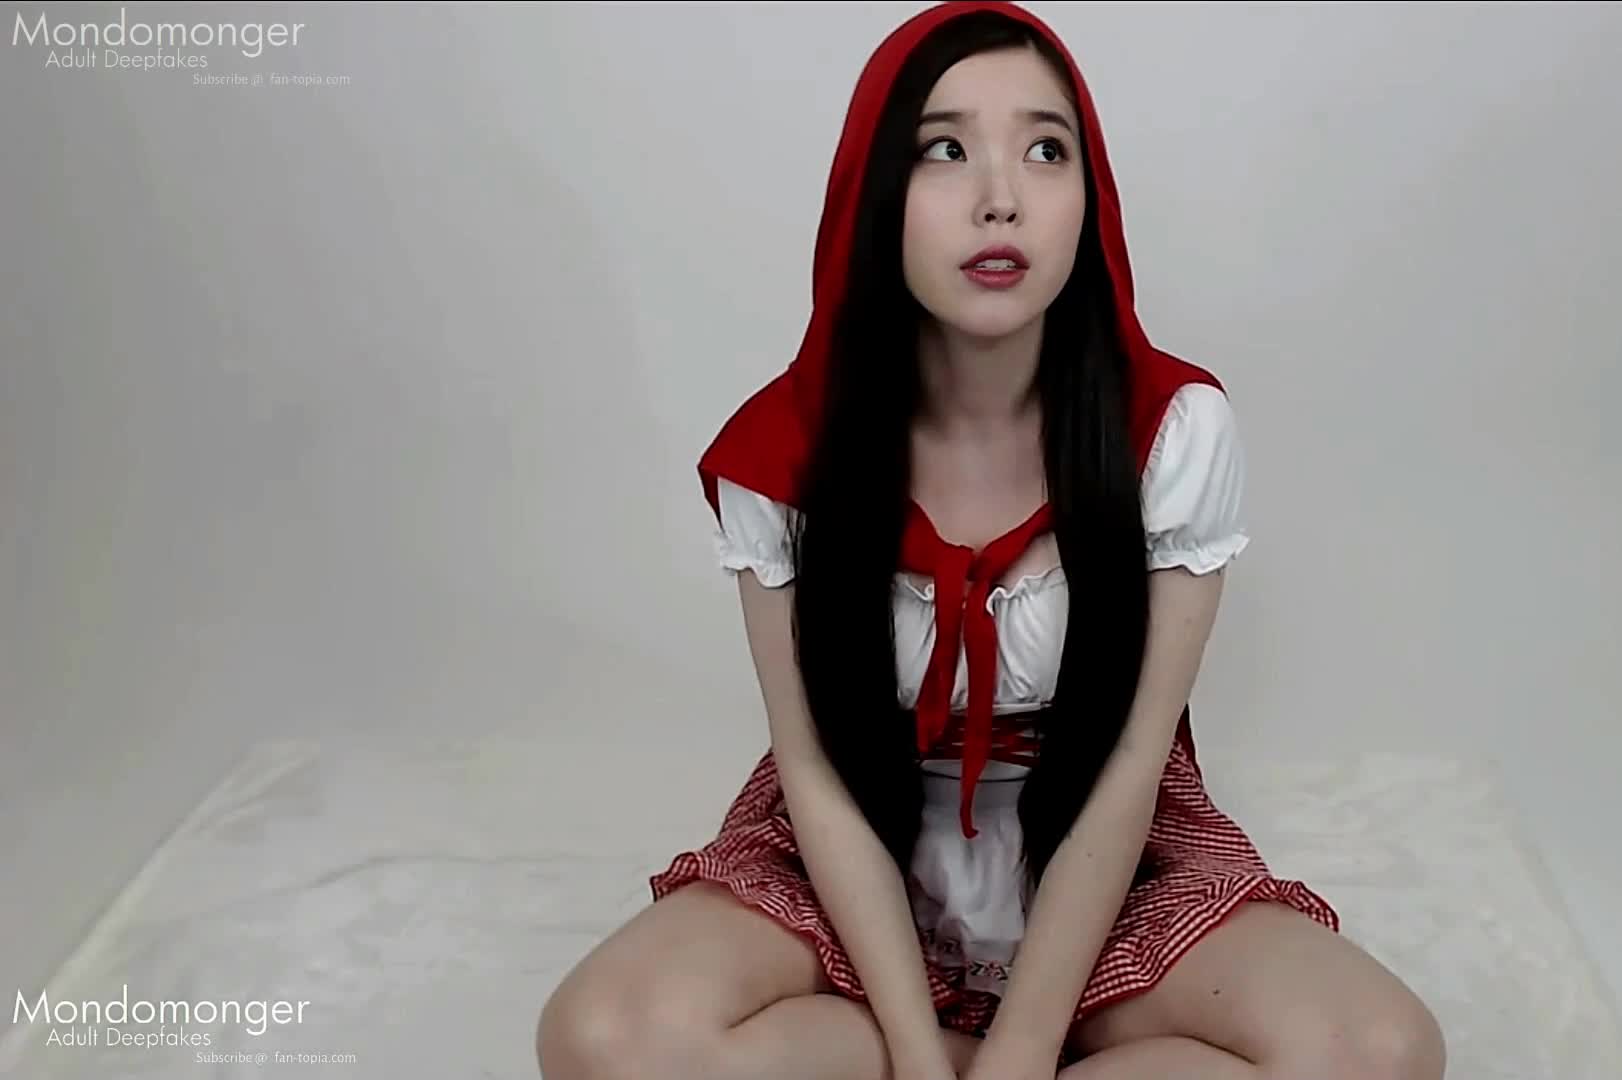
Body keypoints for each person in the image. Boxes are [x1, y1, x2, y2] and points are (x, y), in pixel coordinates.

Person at [537, 3, 1445, 1078]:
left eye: (1046, 150)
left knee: (1380, 1052)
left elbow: (1131, 762)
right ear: (877, 194)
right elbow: (814, 770)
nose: (1000, 197)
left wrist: (1018, 1052)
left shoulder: (1172, 433)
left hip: (1099, 857)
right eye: (946, 149)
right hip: (858, 853)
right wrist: (923, 1063)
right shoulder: (783, 455)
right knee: (600, 1040)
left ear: (1090, 201)